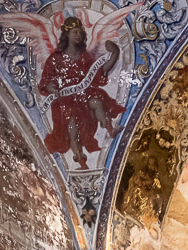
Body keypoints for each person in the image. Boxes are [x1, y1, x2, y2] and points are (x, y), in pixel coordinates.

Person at [39, 18, 124, 169]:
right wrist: (53, 89)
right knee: (72, 127)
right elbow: (46, 81)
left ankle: (110, 129)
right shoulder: (55, 59)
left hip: (84, 94)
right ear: (67, 34)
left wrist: (115, 53)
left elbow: (100, 72)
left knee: (97, 101)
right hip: (65, 99)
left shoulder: (85, 57)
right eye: (74, 32)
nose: (78, 35)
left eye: (80, 32)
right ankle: (80, 159)